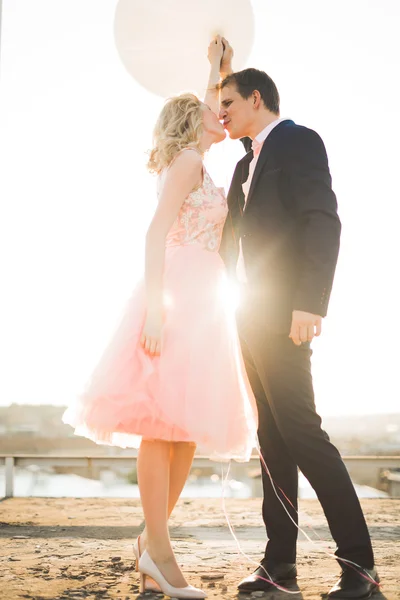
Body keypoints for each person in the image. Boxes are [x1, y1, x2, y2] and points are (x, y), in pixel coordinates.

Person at [62, 37, 258, 600]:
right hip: (174, 295)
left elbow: (201, 110)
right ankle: (161, 554)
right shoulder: (190, 161)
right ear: (192, 123)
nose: (220, 112)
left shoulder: (195, 158)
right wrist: (154, 311)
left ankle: (152, 542)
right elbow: (153, 234)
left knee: (186, 429)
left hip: (203, 304)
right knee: (159, 424)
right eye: (211, 109)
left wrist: (214, 71)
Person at [214, 41, 380, 599]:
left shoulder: (298, 141)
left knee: (305, 435)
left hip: (287, 314)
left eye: (230, 102)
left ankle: (359, 566)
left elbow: (321, 220)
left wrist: (311, 301)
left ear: (257, 98)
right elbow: (200, 128)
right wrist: (218, 76)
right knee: (273, 442)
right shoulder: (242, 162)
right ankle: (277, 567)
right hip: (246, 314)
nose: (223, 113)